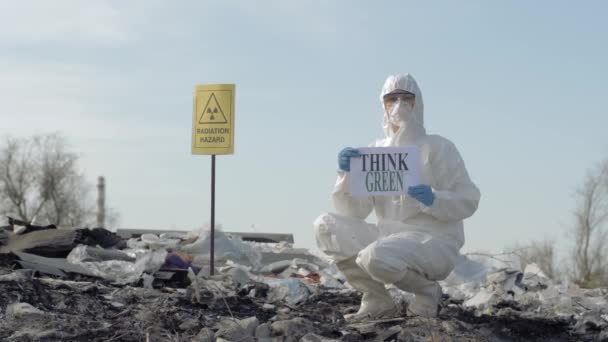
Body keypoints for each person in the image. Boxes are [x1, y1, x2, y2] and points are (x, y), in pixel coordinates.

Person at [313, 74, 480, 320]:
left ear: (418, 103)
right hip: (387, 237)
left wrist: (434, 199)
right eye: (392, 99)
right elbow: (354, 212)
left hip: (432, 241)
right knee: (326, 226)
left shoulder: (439, 147)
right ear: (383, 104)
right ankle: (377, 301)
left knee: (375, 256)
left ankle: (426, 292)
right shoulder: (375, 151)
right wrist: (345, 174)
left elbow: (469, 199)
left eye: (406, 98)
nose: (399, 105)